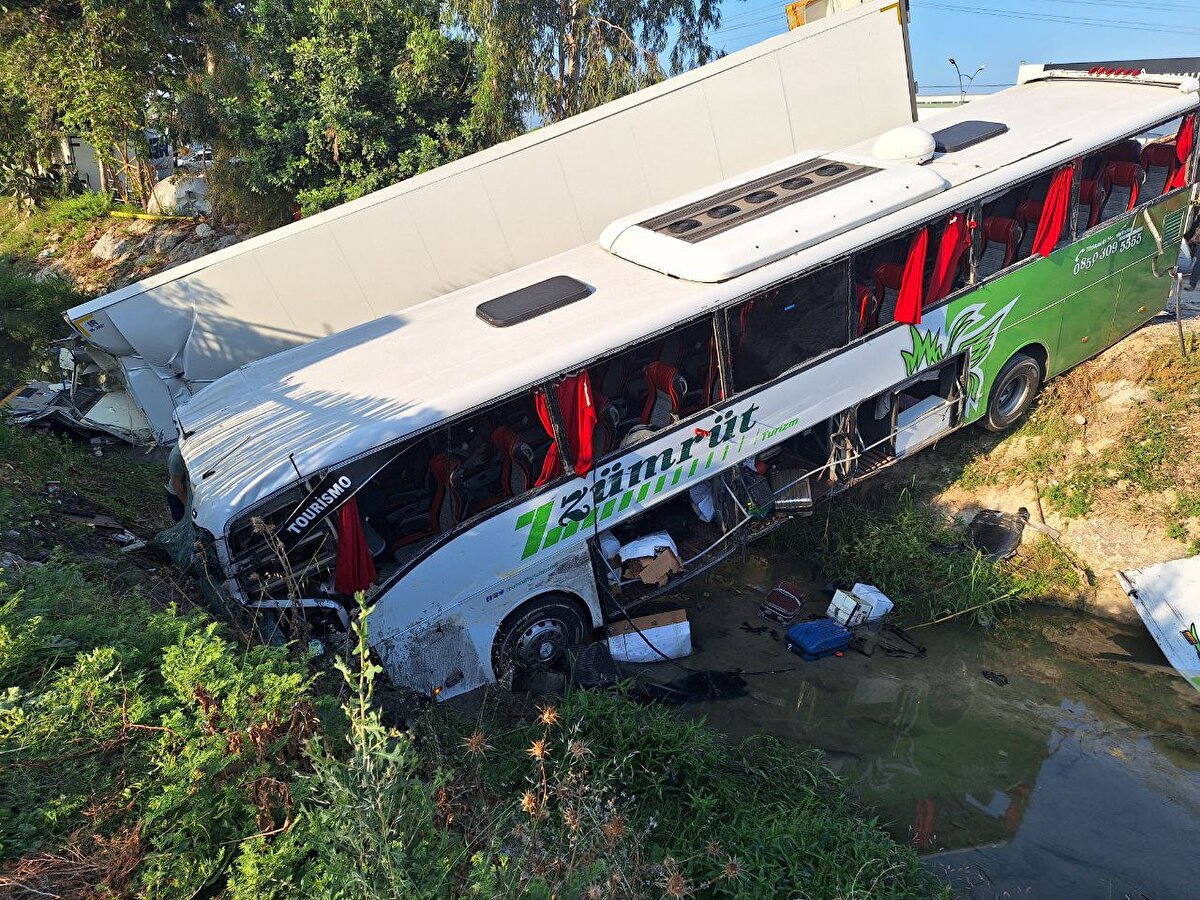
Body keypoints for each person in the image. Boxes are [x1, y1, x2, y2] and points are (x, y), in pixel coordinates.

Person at [166, 443, 188, 522]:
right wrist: (187, 504)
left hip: (189, 491)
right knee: (181, 520)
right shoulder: (177, 456)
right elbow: (176, 482)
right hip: (178, 495)